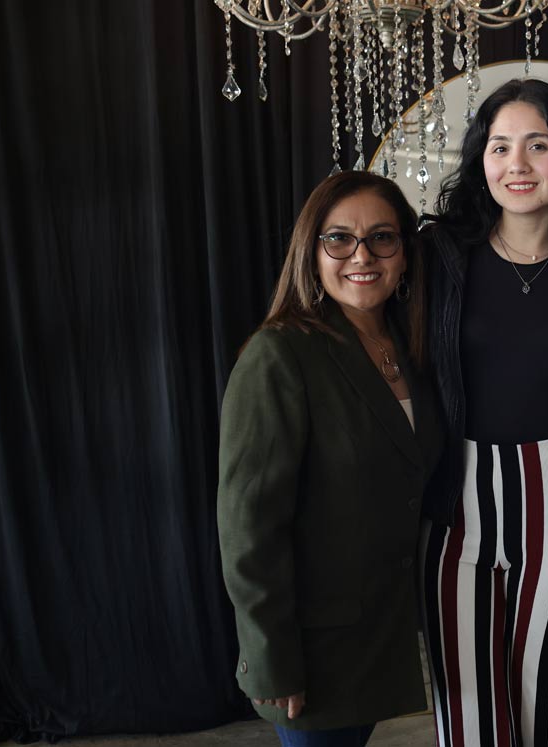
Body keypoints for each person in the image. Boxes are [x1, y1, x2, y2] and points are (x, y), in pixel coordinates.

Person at [419, 78, 548, 746]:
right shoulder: (439, 256)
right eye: (500, 146)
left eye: (538, 144)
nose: (518, 164)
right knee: (471, 714)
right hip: (456, 502)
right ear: (481, 160)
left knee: (545, 706)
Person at [217, 171, 441, 747]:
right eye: (339, 239)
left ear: (404, 254)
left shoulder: (408, 347)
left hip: (382, 633)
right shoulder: (281, 354)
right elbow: (249, 528)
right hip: (313, 648)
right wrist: (270, 655)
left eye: (382, 238)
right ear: (312, 252)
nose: (361, 256)